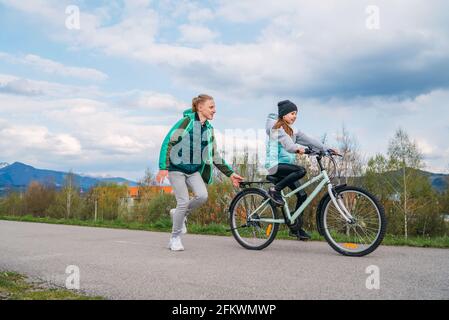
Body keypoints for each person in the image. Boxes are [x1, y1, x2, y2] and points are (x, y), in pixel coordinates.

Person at [156, 94, 244, 251]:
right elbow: (168, 142)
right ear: (200, 107)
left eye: (214, 107)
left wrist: (230, 174)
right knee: (183, 201)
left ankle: (178, 214)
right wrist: (163, 167)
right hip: (176, 169)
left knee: (202, 196)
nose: (214, 110)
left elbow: (214, 155)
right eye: (211, 107)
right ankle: (174, 238)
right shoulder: (186, 122)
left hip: (193, 171)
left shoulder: (209, 130)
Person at [265, 100, 339, 240]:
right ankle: (275, 190)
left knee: (302, 195)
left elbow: (309, 140)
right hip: (275, 166)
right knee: (301, 170)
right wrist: (298, 149)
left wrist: (325, 149)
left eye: (296, 114)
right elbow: (288, 145)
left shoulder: (292, 130)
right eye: (292, 113)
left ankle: (295, 228)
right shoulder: (276, 127)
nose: (295, 116)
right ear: (284, 114)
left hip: (285, 168)